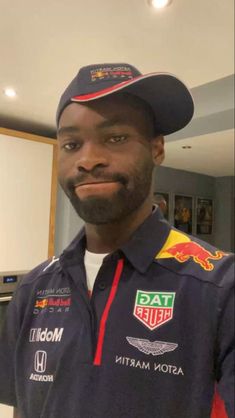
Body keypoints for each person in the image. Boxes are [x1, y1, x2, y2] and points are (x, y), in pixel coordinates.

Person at [0, 63, 234, 418]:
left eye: (116, 138)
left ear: (157, 149)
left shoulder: (220, 287)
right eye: (71, 143)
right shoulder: (34, 289)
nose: (88, 160)